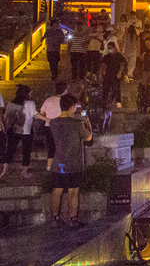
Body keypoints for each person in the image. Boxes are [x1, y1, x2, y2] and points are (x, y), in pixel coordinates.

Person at [49, 93, 92, 228]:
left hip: (58, 163)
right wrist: (86, 122)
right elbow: (89, 137)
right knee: (73, 192)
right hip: (74, 164)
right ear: (72, 107)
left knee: (57, 190)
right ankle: (73, 219)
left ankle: (55, 219)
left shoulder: (53, 122)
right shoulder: (77, 124)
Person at [2, 85, 36, 180]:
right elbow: (34, 115)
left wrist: (6, 127)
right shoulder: (30, 103)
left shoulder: (11, 103)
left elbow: (6, 117)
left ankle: (4, 171)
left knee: (10, 150)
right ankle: (24, 172)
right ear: (26, 94)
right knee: (26, 151)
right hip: (26, 130)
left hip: (13, 129)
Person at [36, 81, 68, 171]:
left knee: (51, 147)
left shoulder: (48, 100)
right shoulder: (67, 101)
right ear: (65, 90)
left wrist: (48, 118)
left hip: (49, 126)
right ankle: (62, 167)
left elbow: (41, 113)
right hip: (63, 126)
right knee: (62, 147)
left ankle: (49, 167)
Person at [101, 42, 127, 108]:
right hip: (108, 74)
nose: (109, 49)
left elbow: (123, 64)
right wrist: (101, 73)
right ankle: (104, 101)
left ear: (114, 48)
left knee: (117, 88)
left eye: (110, 48)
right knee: (106, 88)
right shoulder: (107, 56)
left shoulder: (119, 56)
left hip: (116, 74)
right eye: (108, 48)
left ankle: (118, 101)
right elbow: (103, 65)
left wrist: (120, 72)